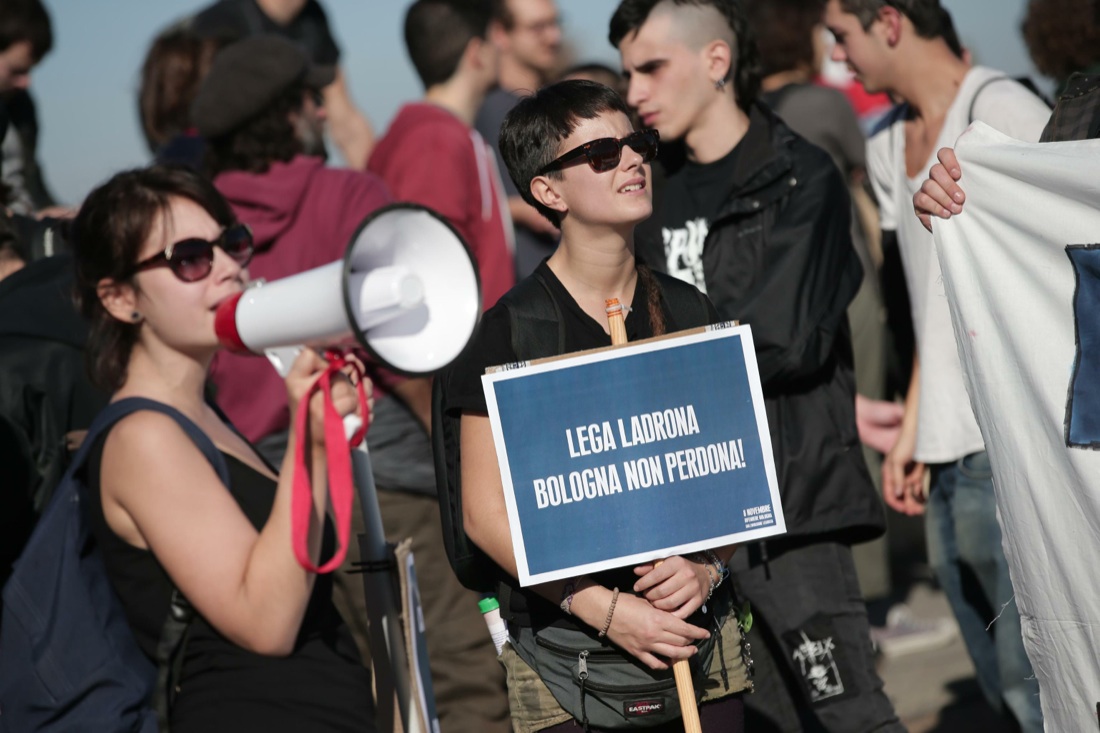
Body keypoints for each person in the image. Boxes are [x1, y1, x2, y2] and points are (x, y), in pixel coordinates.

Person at [611, 2, 895, 730]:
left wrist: (650, 367)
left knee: (847, 714)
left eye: (651, 67)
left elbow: (786, 337)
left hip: (787, 507)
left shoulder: (801, 176)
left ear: (716, 60)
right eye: (625, 73)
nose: (634, 91)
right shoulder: (645, 186)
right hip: (685, 519)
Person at [441, 78, 749, 733]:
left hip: (701, 642)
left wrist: (707, 569)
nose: (633, 159)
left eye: (636, 142)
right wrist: (602, 607)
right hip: (566, 658)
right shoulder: (509, 332)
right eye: (602, 153)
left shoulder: (691, 310)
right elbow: (484, 512)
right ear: (547, 191)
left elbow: (736, 473)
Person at [69, 163, 374, 731]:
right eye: (189, 257)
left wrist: (327, 430)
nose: (229, 268)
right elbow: (266, 621)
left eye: (231, 243)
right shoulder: (143, 439)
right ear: (118, 298)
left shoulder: (205, 417)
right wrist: (308, 449)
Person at [823, 0, 1049, 729]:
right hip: (946, 450)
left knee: (1039, 677)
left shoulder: (1003, 106)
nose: (838, 53)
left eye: (843, 34)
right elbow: (924, 309)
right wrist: (916, 427)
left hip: (1009, 440)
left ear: (888, 21)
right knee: (997, 678)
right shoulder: (887, 143)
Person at [364, 3, 514, 729]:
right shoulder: (431, 141)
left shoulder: (445, 135)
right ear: (481, 48)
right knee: (470, 667)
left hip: (457, 426)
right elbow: (403, 303)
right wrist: (451, 427)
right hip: (438, 438)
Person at [191, 35, 391, 459]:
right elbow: (397, 337)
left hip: (247, 463)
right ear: (285, 115)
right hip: (369, 452)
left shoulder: (193, 229)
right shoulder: (353, 195)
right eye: (311, 99)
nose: (322, 111)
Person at [188, 0, 376, 168]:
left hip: (298, 175)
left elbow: (345, 120)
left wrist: (381, 186)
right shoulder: (218, 24)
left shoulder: (313, 17)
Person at [475, 0, 564, 278]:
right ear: (501, 33)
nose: (554, 36)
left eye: (555, 23)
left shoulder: (561, 102)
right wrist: (515, 210)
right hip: (526, 287)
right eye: (538, 27)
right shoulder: (488, 111)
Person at [0, 0, 59, 215]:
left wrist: (52, 215)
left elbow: (32, 183)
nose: (25, 82)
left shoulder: (20, 106)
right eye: (16, 71)